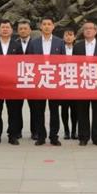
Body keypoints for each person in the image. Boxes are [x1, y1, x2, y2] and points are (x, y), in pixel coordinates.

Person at [27, 17, 65, 146]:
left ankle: (54, 136)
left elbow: (64, 62)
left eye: (49, 24)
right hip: (39, 81)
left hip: (54, 82)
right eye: (44, 24)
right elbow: (28, 62)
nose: (47, 26)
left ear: (53, 26)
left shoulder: (60, 42)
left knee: (54, 111)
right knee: (39, 111)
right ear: (40, 27)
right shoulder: (34, 43)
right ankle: (41, 136)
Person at [0, 20, 24, 145]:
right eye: (3, 27)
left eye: (7, 27)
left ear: (11, 30)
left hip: (12, 84)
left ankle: (13, 135)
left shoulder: (17, 45)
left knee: (14, 111)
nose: (5, 29)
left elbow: (21, 64)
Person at [73, 20, 97, 146]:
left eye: (90, 28)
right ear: (83, 31)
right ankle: (83, 137)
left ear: (95, 31)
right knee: (82, 111)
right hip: (82, 82)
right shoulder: (77, 46)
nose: (88, 30)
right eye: (86, 28)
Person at [16, 20, 35, 139]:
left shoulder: (36, 43)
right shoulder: (13, 44)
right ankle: (17, 131)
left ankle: (35, 131)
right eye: (21, 29)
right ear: (17, 31)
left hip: (32, 80)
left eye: (25, 28)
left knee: (35, 108)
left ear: (30, 30)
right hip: (17, 81)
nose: (23, 31)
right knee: (16, 108)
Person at [60, 27, 78, 140]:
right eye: (66, 35)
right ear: (63, 37)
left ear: (74, 37)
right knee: (64, 108)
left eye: (71, 35)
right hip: (63, 82)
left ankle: (74, 131)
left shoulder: (78, 48)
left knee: (75, 109)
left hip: (75, 82)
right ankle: (66, 131)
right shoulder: (59, 49)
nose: (68, 37)